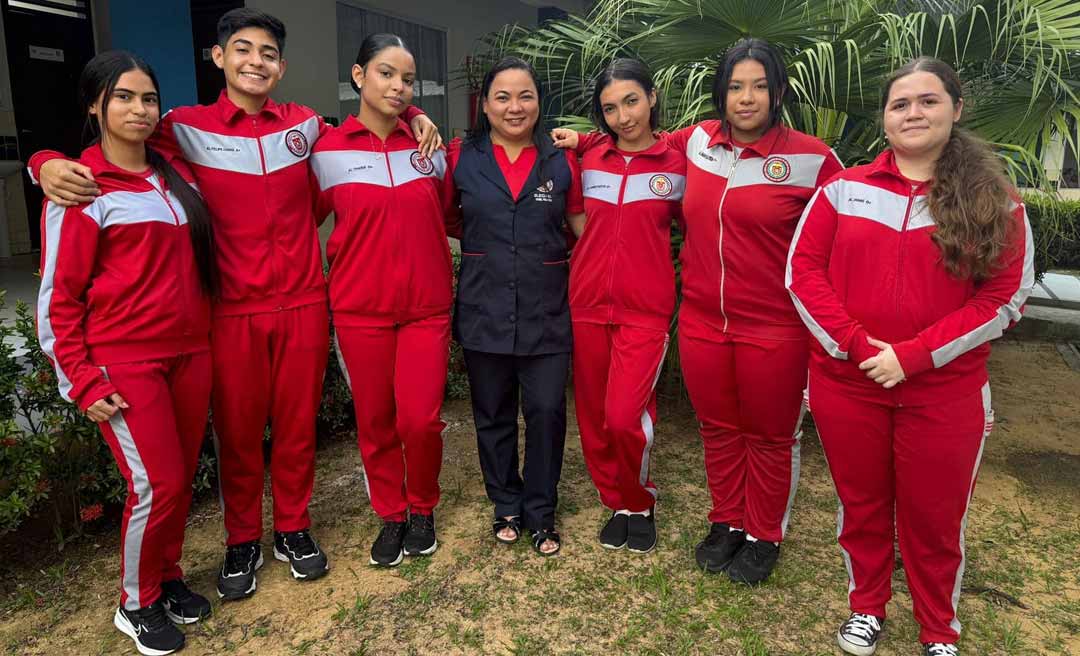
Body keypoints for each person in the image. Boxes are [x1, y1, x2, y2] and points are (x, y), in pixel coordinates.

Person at [29, 8, 441, 600]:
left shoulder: (305, 127)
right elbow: (116, 144)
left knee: (296, 430)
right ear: (219, 57)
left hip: (303, 304)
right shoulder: (182, 127)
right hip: (228, 311)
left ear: (282, 67)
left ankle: (293, 529)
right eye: (243, 49)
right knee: (240, 435)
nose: (256, 62)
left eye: (268, 53)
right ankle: (242, 539)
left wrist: (417, 112)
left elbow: (377, 112)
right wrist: (44, 162)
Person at [554, 38, 842, 582]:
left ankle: (763, 533)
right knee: (719, 428)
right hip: (703, 320)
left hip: (775, 326)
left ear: (778, 91)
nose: (746, 98)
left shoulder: (812, 159)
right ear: (721, 94)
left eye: (759, 86)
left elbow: (843, 235)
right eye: (735, 87)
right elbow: (633, 139)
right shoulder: (697, 143)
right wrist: (585, 137)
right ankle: (727, 520)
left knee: (770, 435)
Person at [786, 57, 1033, 656]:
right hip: (849, 384)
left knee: (935, 519)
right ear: (885, 118)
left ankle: (938, 629)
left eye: (928, 101)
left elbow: (1004, 298)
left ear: (955, 109)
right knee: (862, 507)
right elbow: (802, 273)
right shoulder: (843, 189)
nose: (913, 113)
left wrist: (914, 357)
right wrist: (857, 345)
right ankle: (866, 607)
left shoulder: (995, 201)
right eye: (900, 104)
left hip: (945, 393)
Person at [37, 50, 217, 656]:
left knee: (179, 479)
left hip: (190, 353)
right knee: (155, 483)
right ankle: (135, 603)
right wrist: (81, 380)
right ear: (95, 105)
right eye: (122, 97)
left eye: (148, 98)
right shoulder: (80, 187)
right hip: (124, 362)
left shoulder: (174, 174)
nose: (139, 110)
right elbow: (58, 299)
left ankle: (166, 577)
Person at [310, 34, 452, 568]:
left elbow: (449, 214)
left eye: (408, 80)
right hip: (359, 311)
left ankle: (423, 507)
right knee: (376, 421)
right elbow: (300, 221)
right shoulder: (326, 150)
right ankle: (392, 514)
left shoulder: (430, 149)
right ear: (358, 75)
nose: (398, 86)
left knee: (420, 420)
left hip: (426, 310)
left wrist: (415, 116)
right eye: (386, 73)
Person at [443, 56, 585, 556]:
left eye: (525, 95)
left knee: (546, 411)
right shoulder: (461, 156)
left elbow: (580, 227)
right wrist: (490, 247)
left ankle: (541, 510)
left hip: (548, 309)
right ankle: (505, 501)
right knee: (493, 412)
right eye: (502, 97)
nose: (514, 107)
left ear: (539, 102)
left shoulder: (561, 158)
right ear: (484, 105)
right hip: (484, 305)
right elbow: (449, 217)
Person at [557, 58, 684, 553]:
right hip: (586, 303)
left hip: (645, 309)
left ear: (652, 97)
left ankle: (639, 499)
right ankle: (616, 502)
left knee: (623, 416)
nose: (623, 116)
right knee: (592, 416)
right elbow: (574, 212)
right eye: (610, 108)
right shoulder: (589, 156)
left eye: (631, 101)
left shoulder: (678, 161)